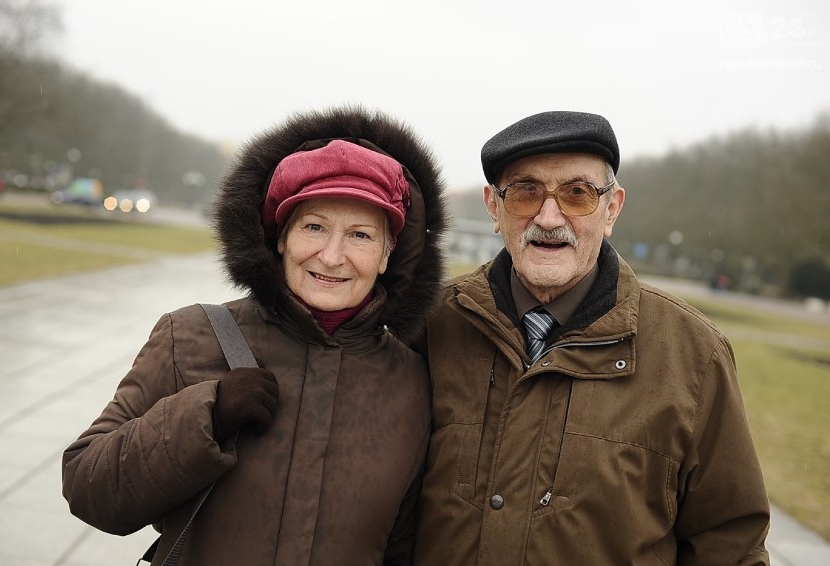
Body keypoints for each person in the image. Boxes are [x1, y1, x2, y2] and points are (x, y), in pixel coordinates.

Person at [61, 105, 447, 565]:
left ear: (388, 254)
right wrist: (206, 415)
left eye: (361, 235)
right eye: (315, 227)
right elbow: (89, 488)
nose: (332, 255)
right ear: (280, 236)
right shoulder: (189, 335)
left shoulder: (413, 380)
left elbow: (403, 545)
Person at [414, 111, 770, 565]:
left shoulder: (694, 357)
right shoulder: (430, 326)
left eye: (577, 194)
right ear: (493, 208)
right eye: (525, 192)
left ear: (612, 209)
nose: (548, 217)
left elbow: (730, 545)